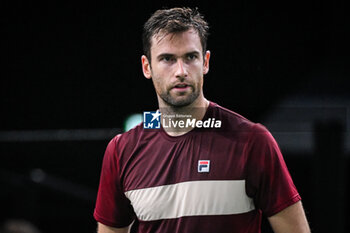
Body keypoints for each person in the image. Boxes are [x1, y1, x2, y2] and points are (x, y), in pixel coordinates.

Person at [93, 7, 310, 233]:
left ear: (205, 62)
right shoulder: (121, 150)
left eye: (190, 57)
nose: (181, 71)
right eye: (167, 59)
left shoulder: (252, 141)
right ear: (147, 67)